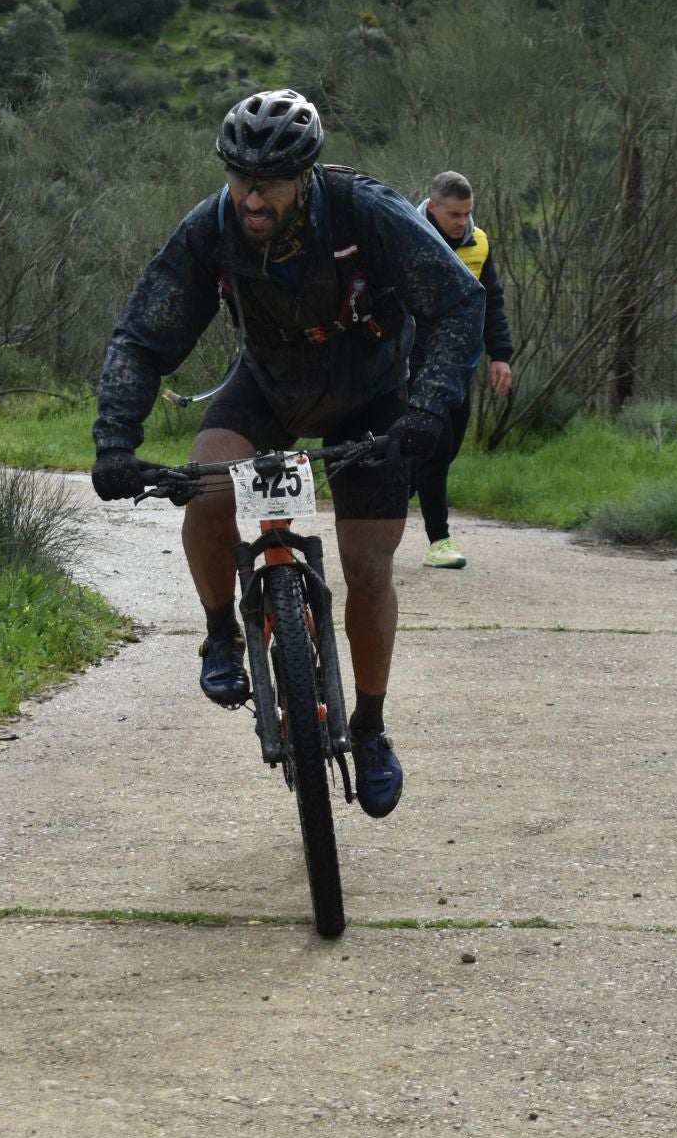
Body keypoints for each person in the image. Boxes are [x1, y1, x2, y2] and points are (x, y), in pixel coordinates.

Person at [88, 90, 485, 820]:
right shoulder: (212, 228)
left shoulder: (365, 210)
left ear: (305, 175)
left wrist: (428, 405)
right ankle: (219, 635)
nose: (252, 196)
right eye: (239, 178)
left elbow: (459, 302)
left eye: (268, 182)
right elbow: (143, 336)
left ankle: (369, 728)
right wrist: (115, 441)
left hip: (371, 394)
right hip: (267, 389)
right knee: (207, 491)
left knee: (367, 569)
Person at [411, 171, 514, 570]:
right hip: (415, 362)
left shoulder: (479, 243)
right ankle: (439, 541)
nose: (462, 222)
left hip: (460, 364)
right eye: (454, 214)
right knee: (436, 450)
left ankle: (404, 482)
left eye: (467, 213)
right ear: (433, 207)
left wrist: (500, 354)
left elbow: (492, 303)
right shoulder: (406, 232)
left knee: (446, 449)